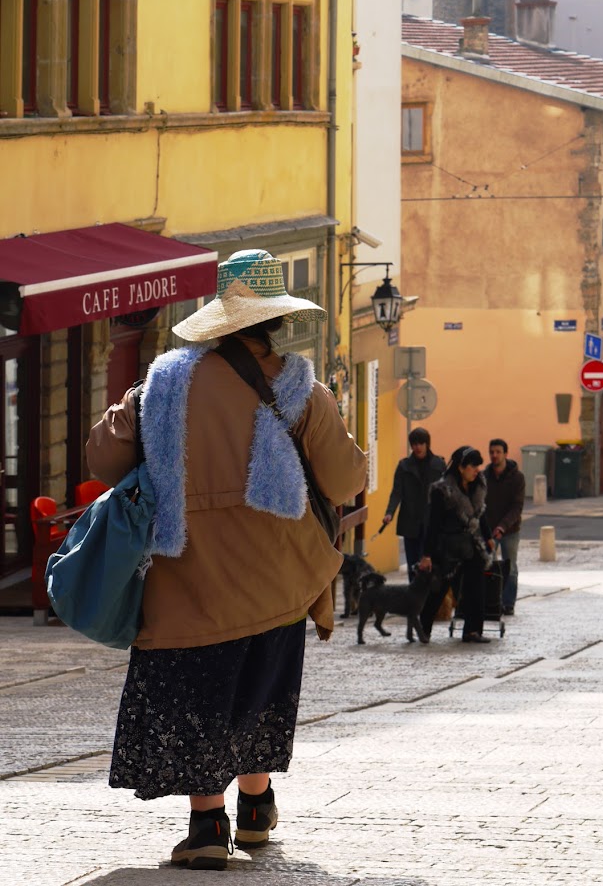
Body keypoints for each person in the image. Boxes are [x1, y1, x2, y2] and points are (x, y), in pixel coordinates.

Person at [86, 249, 367, 871]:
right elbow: (345, 481)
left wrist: (132, 405)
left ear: (216, 315)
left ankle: (206, 824)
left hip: (183, 575)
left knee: (196, 698)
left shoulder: (160, 384)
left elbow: (104, 464)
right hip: (275, 578)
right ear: (274, 321)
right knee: (258, 692)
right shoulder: (302, 391)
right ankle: (257, 808)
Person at [418, 446, 493, 643]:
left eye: (478, 466)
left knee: (476, 587)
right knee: (439, 588)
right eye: (473, 466)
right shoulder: (442, 490)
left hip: (471, 544)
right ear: (461, 467)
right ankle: (423, 628)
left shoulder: (478, 486)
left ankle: (472, 631)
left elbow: (480, 513)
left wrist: (488, 536)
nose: (477, 470)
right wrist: (427, 554)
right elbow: (433, 524)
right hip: (447, 546)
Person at [382, 428, 446, 580]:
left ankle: (430, 600)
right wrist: (389, 512)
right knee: (413, 565)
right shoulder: (404, 466)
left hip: (432, 521)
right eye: (414, 444)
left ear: (427, 444)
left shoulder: (439, 465)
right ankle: (414, 599)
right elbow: (396, 492)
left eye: (421, 443)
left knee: (433, 564)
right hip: (410, 520)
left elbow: (447, 493)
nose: (417, 447)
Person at [484, 438, 525, 616]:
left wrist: (502, 526)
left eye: (498, 452)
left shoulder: (517, 477)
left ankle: (508, 603)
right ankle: (492, 601)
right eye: (492, 452)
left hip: (510, 530)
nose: (494, 455)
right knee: (489, 567)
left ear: (506, 454)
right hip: (489, 530)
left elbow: (517, 507)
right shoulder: (484, 477)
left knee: (511, 567)